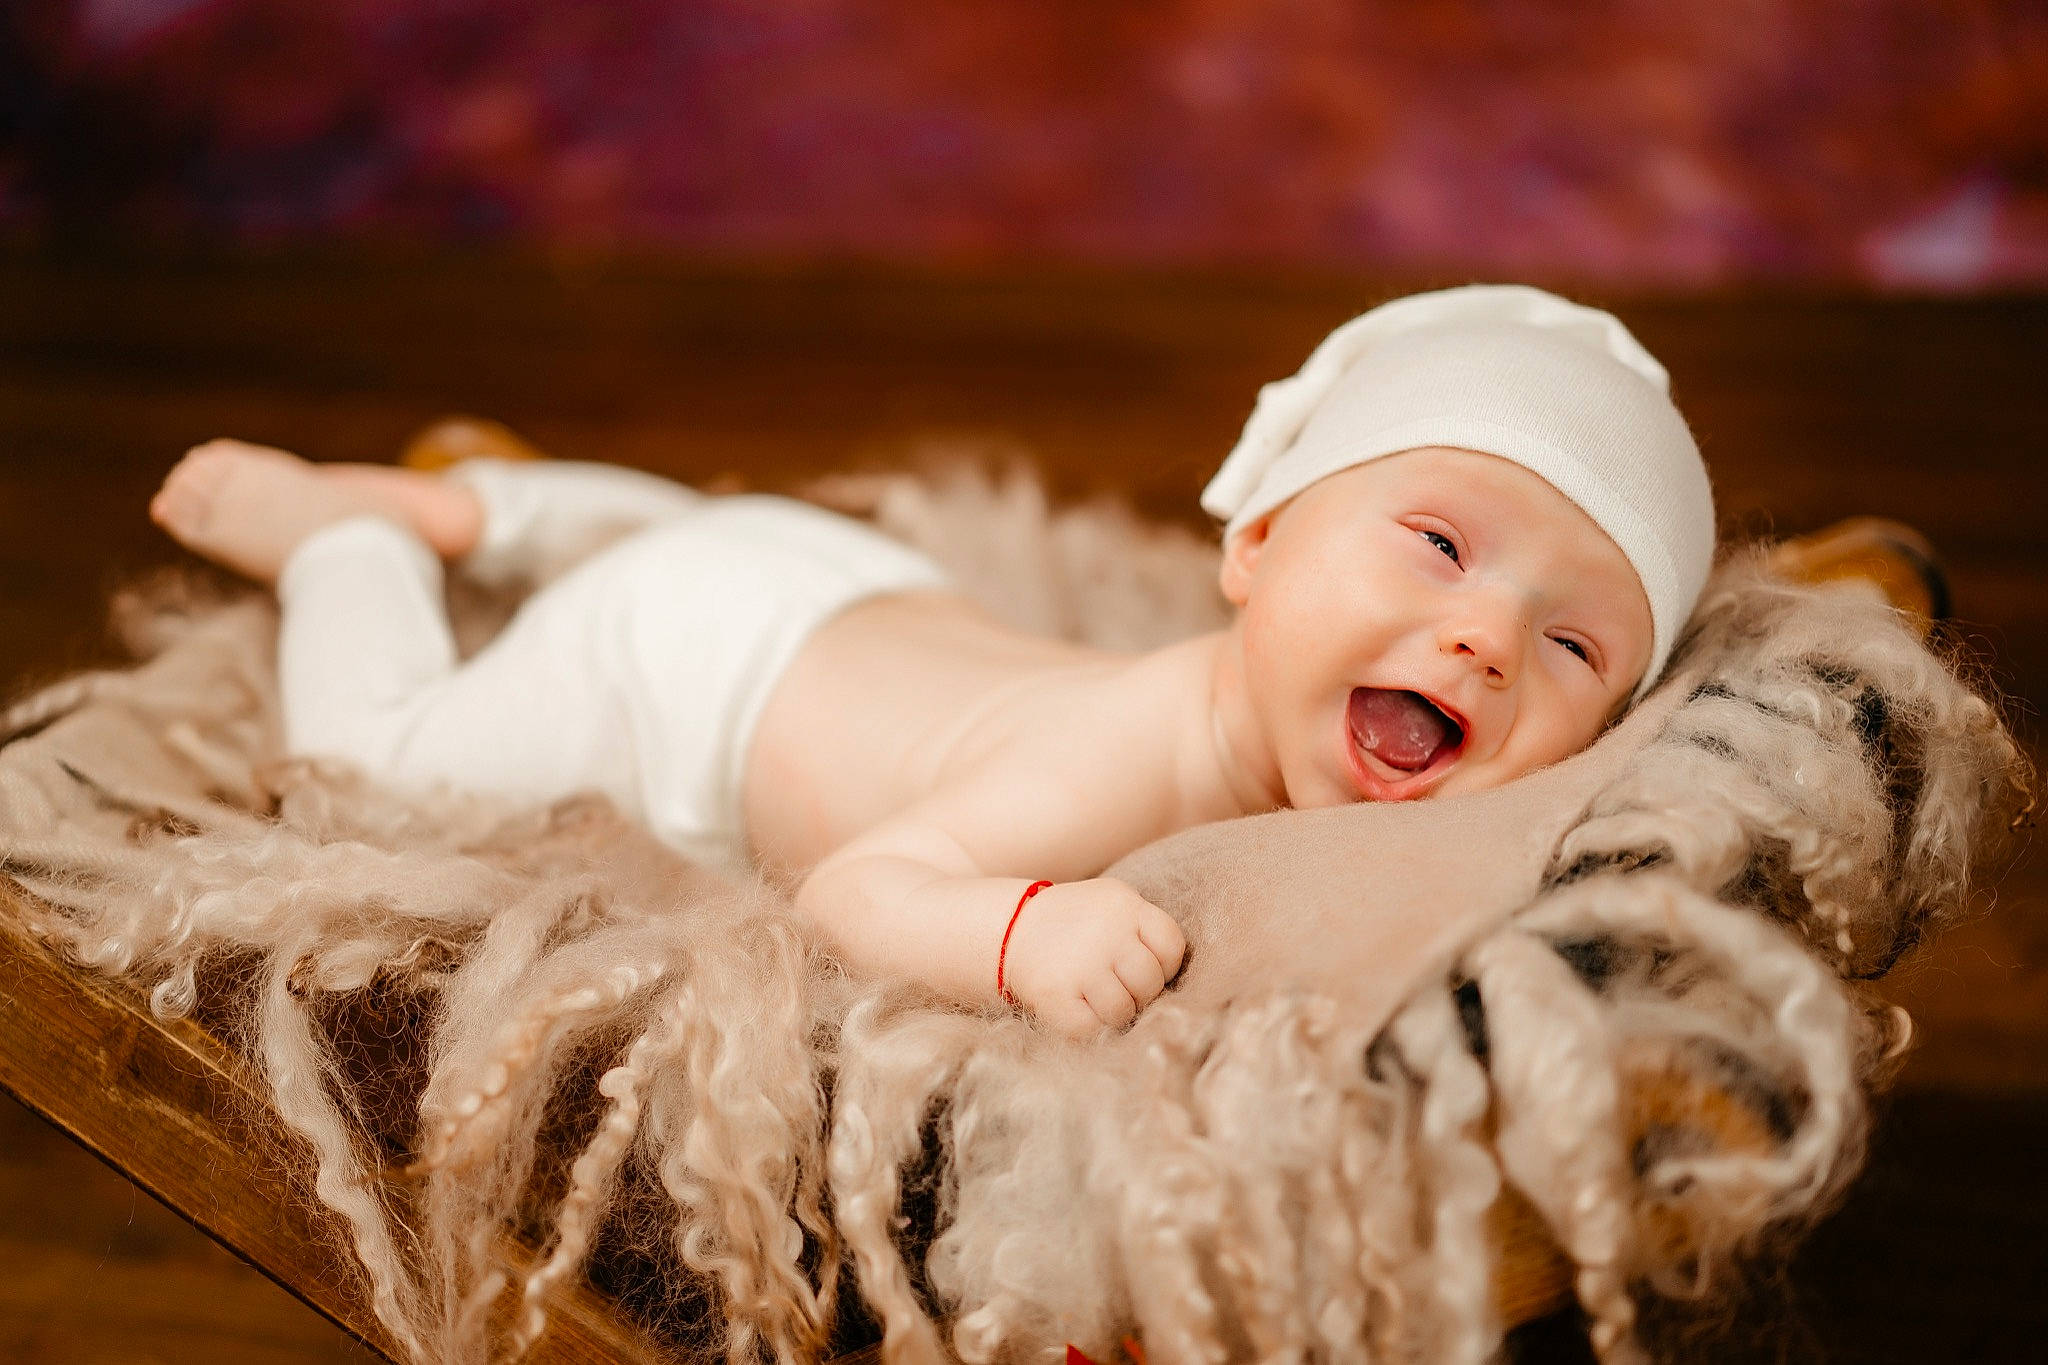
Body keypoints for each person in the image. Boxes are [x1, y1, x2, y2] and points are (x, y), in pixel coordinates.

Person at [148, 284, 1714, 1039]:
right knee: (386, 766)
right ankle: (353, 545)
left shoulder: (1352, 747)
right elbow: (856, 892)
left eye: (1575, 641)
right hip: (689, 676)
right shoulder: (1125, 758)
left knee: (706, 531)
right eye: (1439, 544)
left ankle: (500, 494)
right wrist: (1020, 930)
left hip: (832, 584)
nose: (1485, 638)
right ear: (1254, 548)